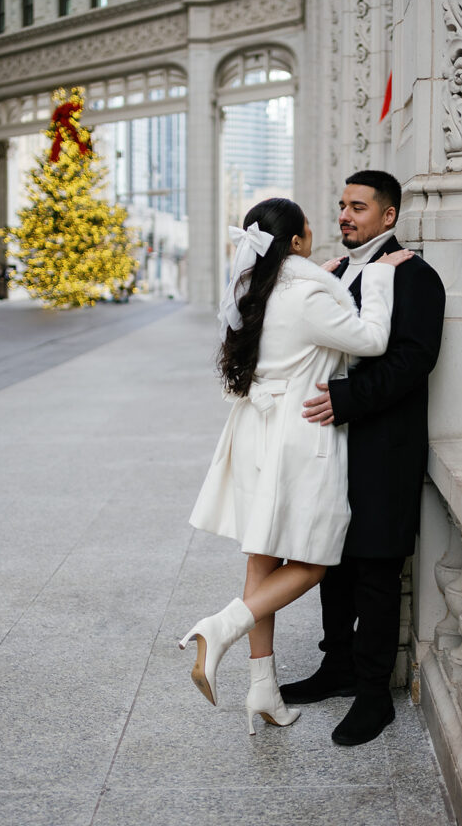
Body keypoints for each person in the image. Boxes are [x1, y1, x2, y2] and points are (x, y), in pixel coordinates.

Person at [179, 197, 413, 734]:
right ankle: (220, 627)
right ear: (299, 243)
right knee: (315, 561)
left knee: (262, 557)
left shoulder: (255, 290)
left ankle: (264, 689)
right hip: (297, 435)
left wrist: (326, 279)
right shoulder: (307, 293)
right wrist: (375, 278)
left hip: (254, 432)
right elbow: (372, 341)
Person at [279, 170, 446, 747]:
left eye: (358, 207)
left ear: (389, 216)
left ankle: (375, 694)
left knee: (375, 570)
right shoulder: (335, 270)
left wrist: (347, 401)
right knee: (333, 561)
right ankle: (337, 666)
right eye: (342, 205)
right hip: (330, 447)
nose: (345, 216)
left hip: (382, 446)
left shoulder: (416, 275)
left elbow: (413, 360)